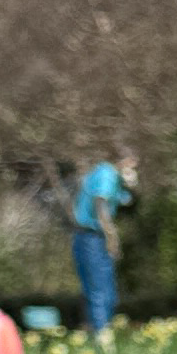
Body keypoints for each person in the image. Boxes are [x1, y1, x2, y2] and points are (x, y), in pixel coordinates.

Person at [71, 145, 136, 341]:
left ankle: (102, 335)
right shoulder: (106, 173)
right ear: (122, 160)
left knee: (107, 291)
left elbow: (126, 201)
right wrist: (111, 235)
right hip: (91, 237)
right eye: (132, 163)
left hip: (94, 237)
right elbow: (100, 204)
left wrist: (128, 185)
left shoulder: (112, 177)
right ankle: (102, 339)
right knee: (98, 291)